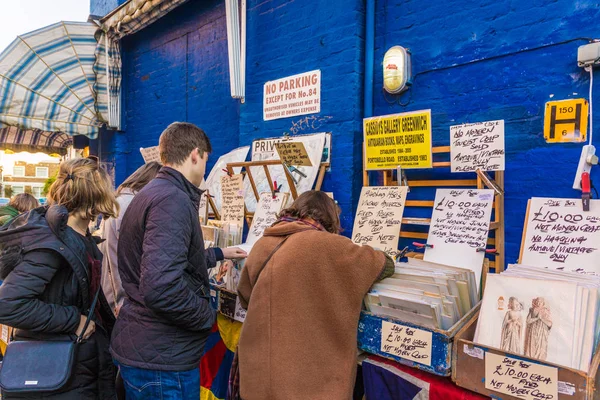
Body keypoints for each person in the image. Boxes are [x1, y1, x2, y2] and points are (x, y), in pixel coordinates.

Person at [111, 122, 247, 400]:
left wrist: (220, 254)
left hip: (150, 349)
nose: (205, 169)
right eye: (207, 160)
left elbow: (166, 260)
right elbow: (161, 287)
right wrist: (206, 316)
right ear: (196, 154)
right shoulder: (171, 200)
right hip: (162, 359)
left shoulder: (153, 193)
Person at [236, 190, 395, 400]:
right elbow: (385, 265)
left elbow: (245, 297)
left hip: (257, 369)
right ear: (330, 217)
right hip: (303, 380)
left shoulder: (263, 243)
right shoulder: (328, 245)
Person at [0, 158, 119, 399]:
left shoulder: (75, 237)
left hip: (75, 368)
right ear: (96, 195)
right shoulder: (52, 241)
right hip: (55, 373)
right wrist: (75, 321)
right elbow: (8, 305)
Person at [100, 161, 162, 315]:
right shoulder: (131, 205)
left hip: (113, 292)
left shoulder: (120, 201)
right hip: (122, 298)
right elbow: (128, 256)